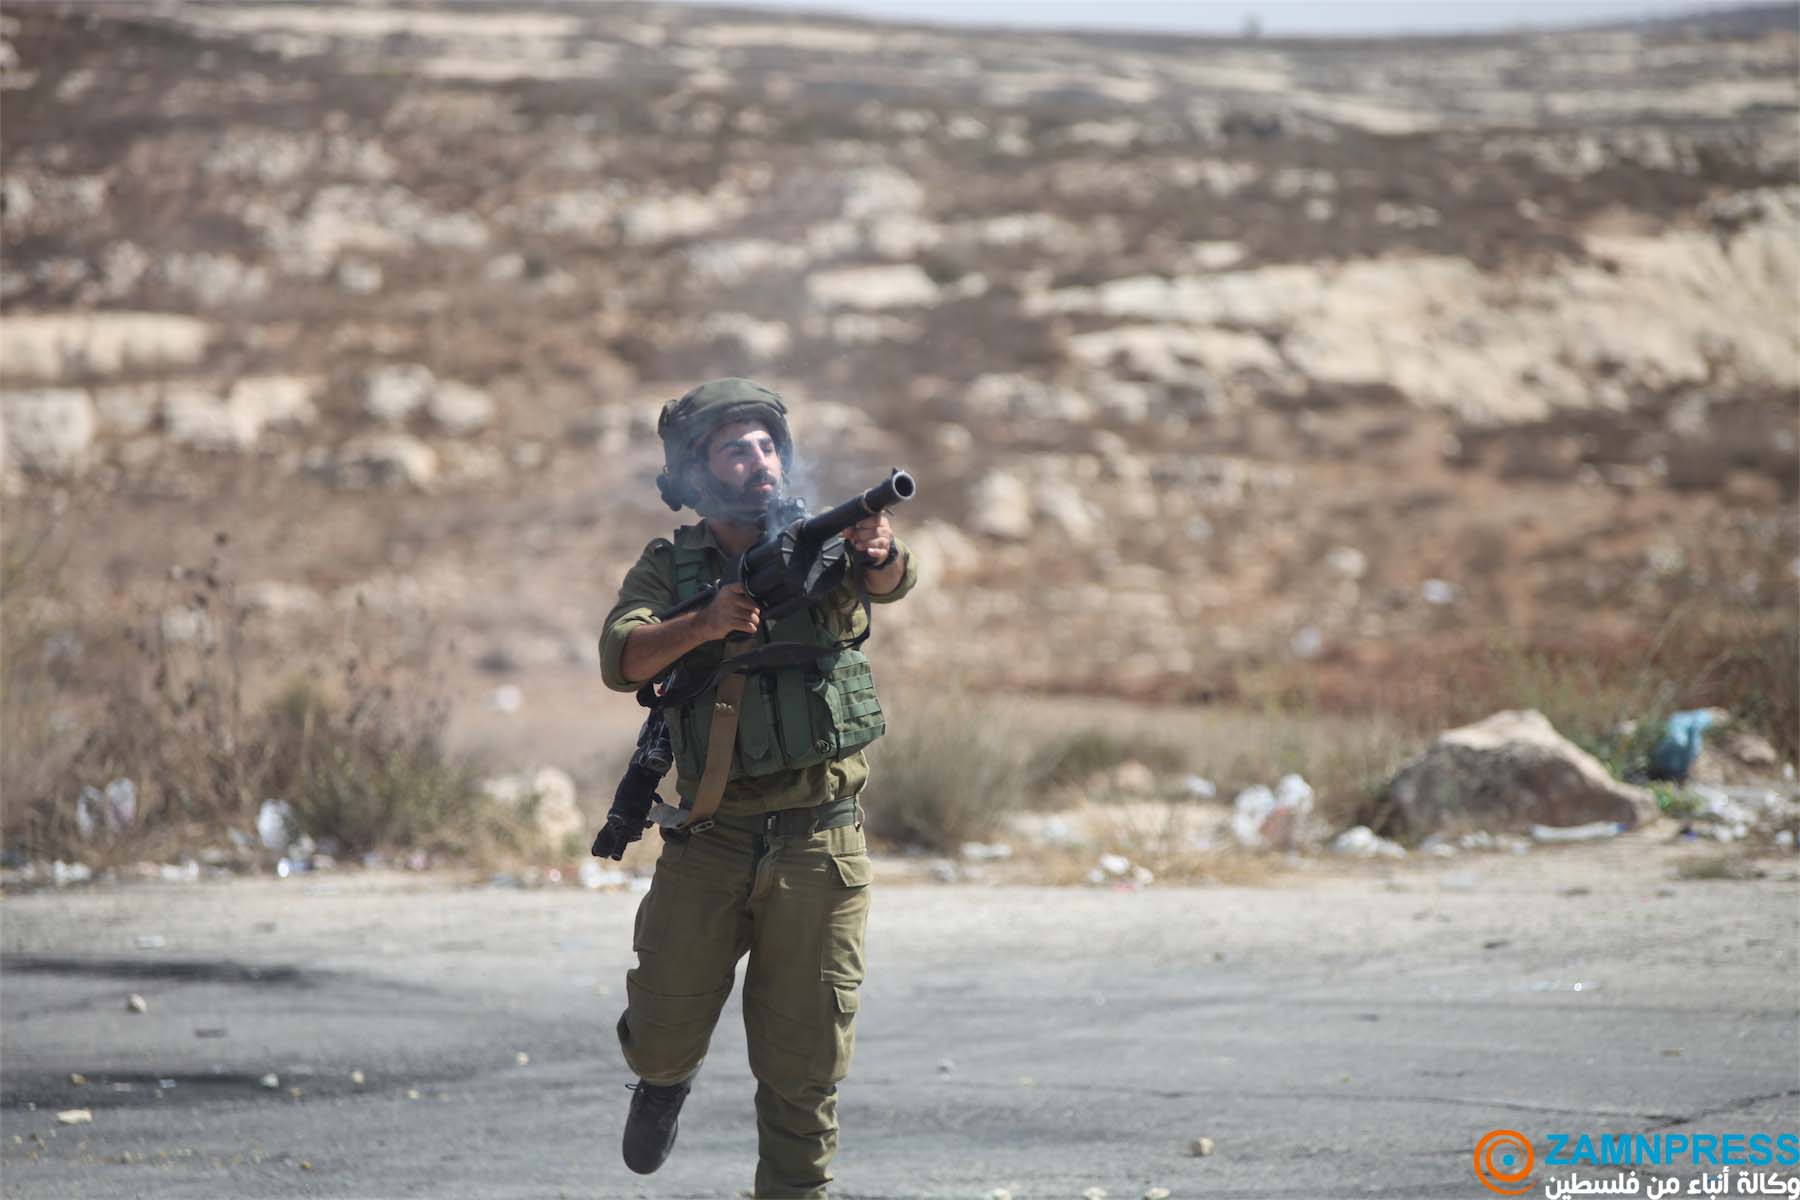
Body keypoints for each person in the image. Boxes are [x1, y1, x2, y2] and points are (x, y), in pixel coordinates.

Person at [596, 378, 918, 1198]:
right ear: (695, 471)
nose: (759, 461)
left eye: (767, 445)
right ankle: (663, 1083)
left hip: (820, 839)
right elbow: (622, 659)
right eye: (735, 449)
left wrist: (877, 549)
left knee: (804, 1068)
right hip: (711, 839)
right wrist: (703, 622)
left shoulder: (826, 543)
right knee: (661, 1030)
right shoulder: (672, 565)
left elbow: (889, 581)